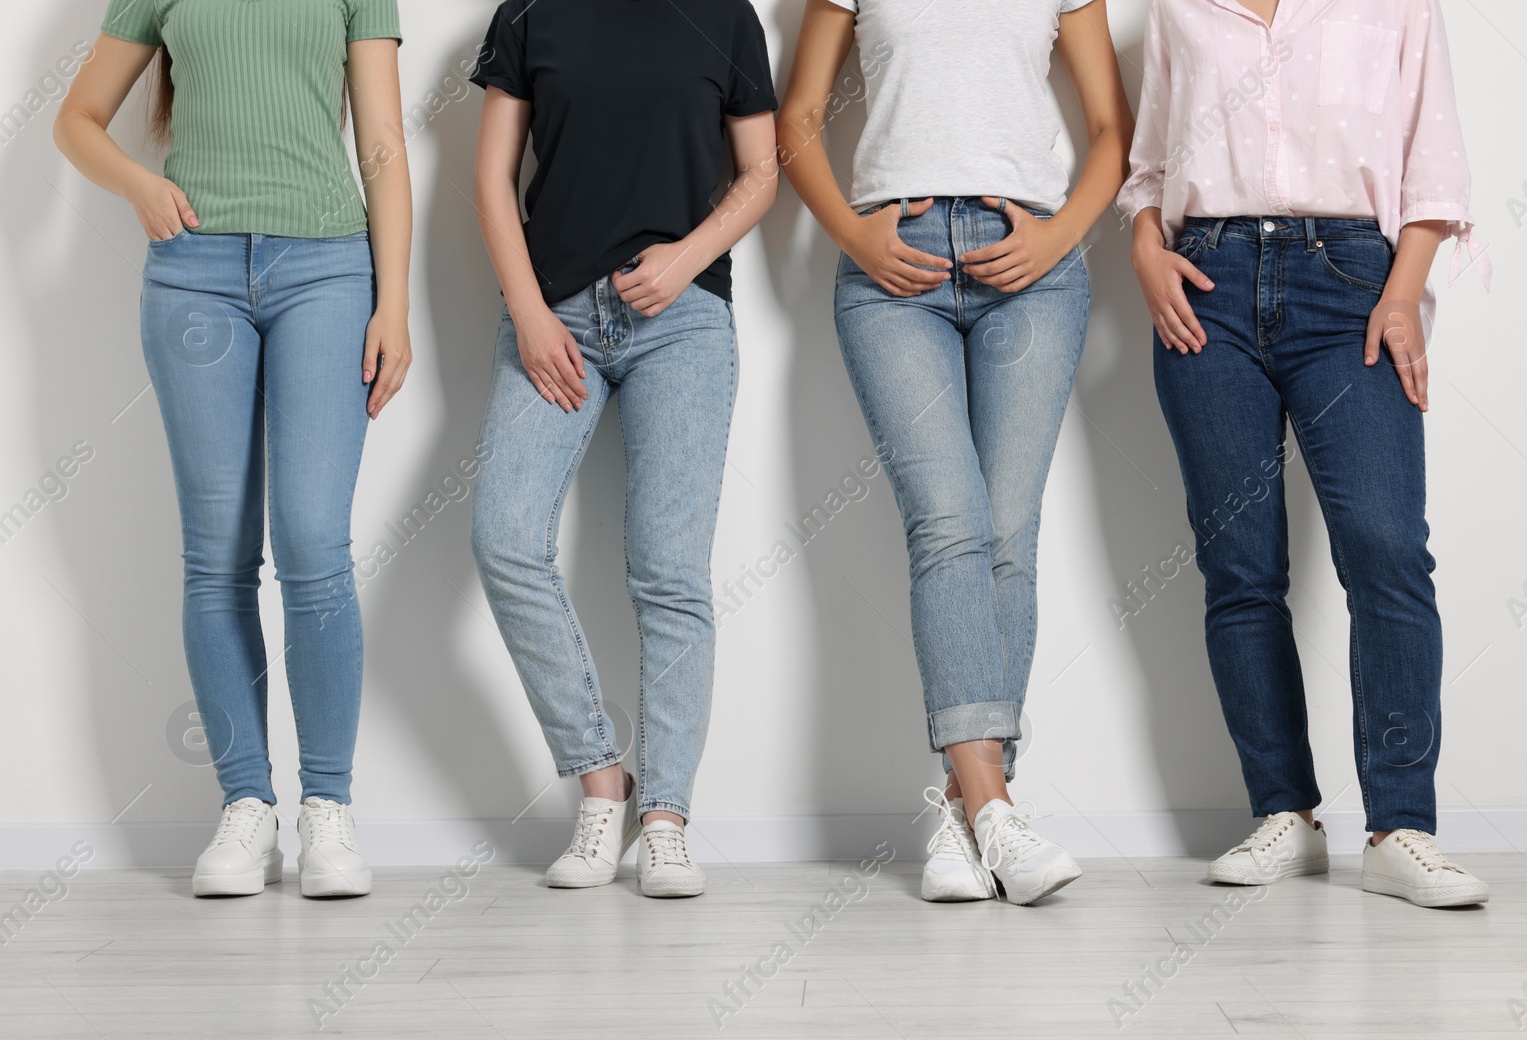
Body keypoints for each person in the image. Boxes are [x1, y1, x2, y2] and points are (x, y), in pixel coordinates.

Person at [1119, 0, 1491, 907]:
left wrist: (1401, 295)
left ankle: (1401, 826)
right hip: (1205, 284)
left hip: (1354, 285)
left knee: (1388, 549)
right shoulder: (1179, 7)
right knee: (1240, 569)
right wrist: (1144, 249)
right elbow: (1151, 168)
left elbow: (1433, 170)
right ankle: (1285, 814)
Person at [55, 0, 413, 897]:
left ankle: (327, 808)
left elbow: (381, 144)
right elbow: (75, 120)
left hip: (328, 270)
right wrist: (141, 185)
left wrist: (395, 303)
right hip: (192, 273)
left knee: (312, 544)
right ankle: (246, 804)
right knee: (216, 556)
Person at [780, 0, 1134, 905]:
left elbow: (1110, 129)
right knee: (949, 521)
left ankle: (964, 811)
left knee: (1008, 532)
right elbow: (799, 119)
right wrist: (853, 234)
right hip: (891, 265)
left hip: (1033, 265)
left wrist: (1059, 238)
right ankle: (996, 808)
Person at [467, 0, 779, 898]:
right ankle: (604, 782)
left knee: (669, 570)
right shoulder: (529, 12)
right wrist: (527, 313)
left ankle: (668, 816)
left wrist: (687, 258)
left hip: (681, 321)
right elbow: (491, 179)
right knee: (504, 538)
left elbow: (760, 172)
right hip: (553, 313)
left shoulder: (727, 16)